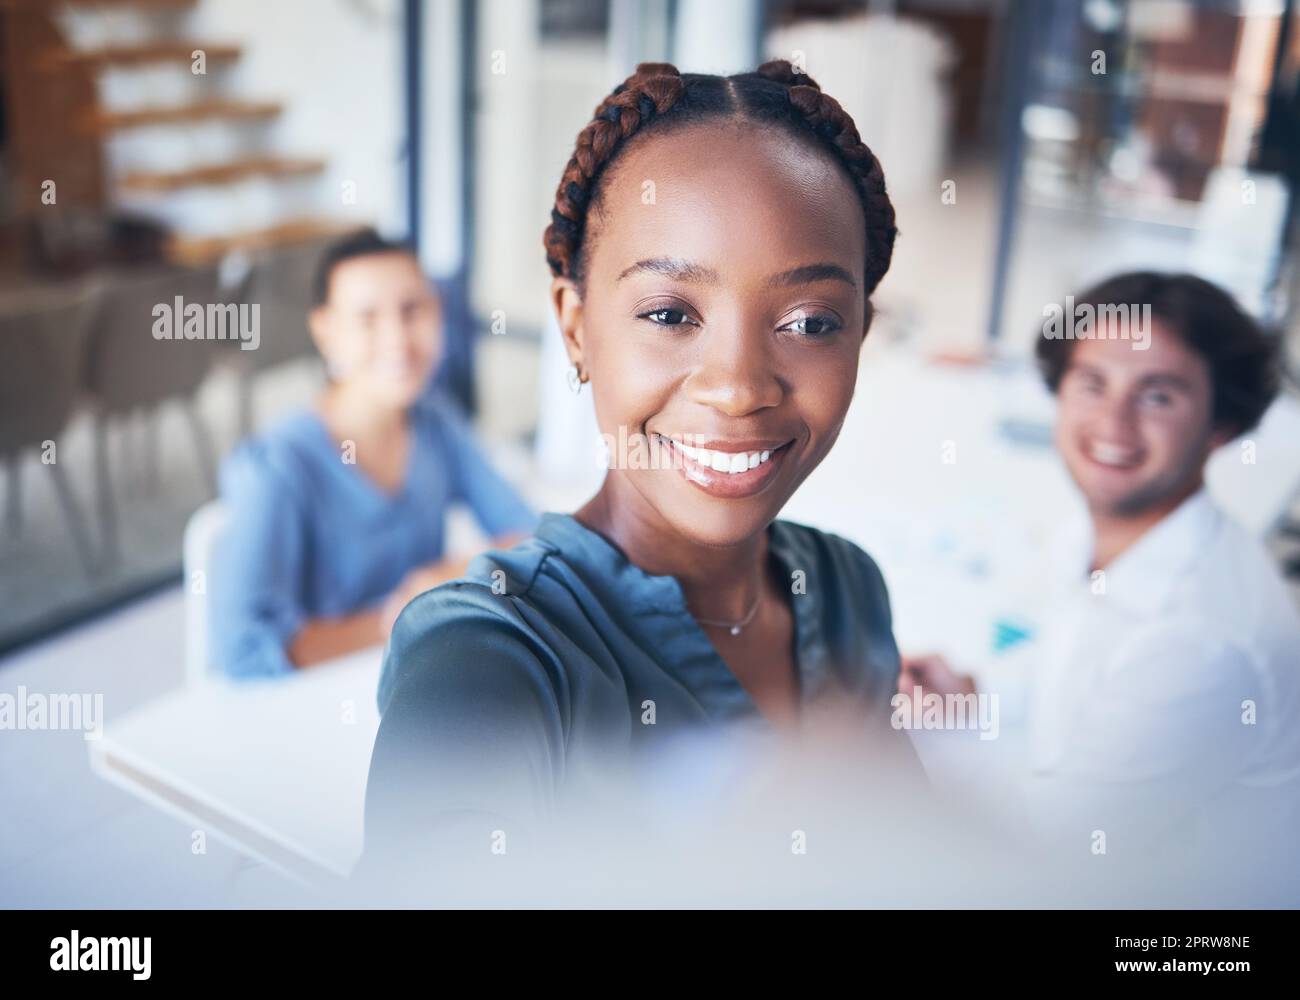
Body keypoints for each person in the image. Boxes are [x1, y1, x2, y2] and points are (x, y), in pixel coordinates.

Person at [362, 61, 917, 869]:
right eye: (668, 313)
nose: (737, 388)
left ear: (861, 334)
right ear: (577, 328)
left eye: (809, 321)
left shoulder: (846, 591)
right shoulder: (493, 658)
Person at [902, 272, 1300, 862]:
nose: (1113, 424)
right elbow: (1067, 672)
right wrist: (969, 698)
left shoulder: (1199, 639)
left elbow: (1052, 853)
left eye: (1158, 395)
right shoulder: (1099, 536)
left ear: (1222, 424)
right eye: (1093, 383)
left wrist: (927, 731)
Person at [211, 230, 536, 679]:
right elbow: (243, 649)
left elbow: (529, 534)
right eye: (367, 318)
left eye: (412, 310)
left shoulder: (436, 423)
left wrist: (456, 572)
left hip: (416, 681)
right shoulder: (277, 466)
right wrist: (405, 613)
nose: (398, 339)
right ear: (326, 332)